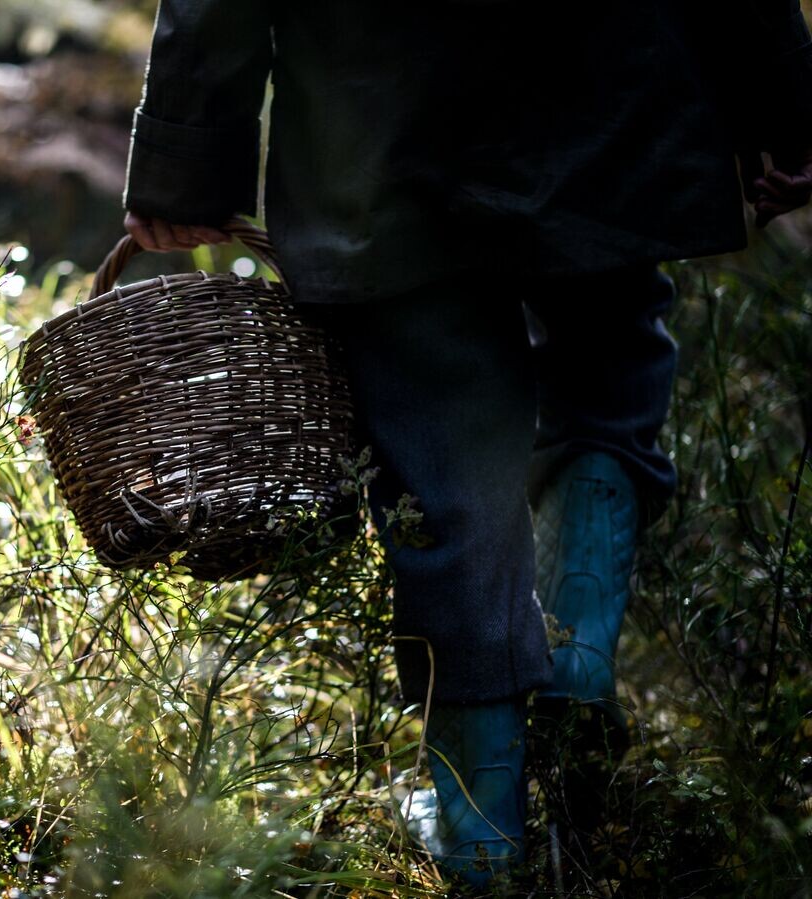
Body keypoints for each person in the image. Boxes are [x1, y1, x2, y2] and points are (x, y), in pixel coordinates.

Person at [119, 0, 812, 887]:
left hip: (380, 124)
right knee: (607, 370)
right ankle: (578, 655)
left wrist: (183, 161)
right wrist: (786, 104)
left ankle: (480, 833)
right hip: (612, 89)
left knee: (442, 454)